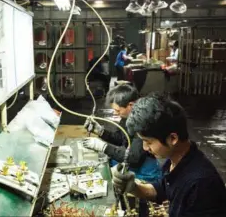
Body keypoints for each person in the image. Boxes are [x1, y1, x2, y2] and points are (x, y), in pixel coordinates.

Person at [113, 94, 226, 217]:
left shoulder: (201, 185)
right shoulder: (177, 160)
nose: (145, 148)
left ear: (172, 138)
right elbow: (161, 190)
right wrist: (133, 187)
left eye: (148, 142)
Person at [83, 84, 162, 216]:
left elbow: (134, 158)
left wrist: (103, 147)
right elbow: (121, 138)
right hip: (134, 169)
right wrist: (101, 131)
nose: (115, 113)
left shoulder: (142, 123)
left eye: (118, 110)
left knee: (140, 210)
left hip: (145, 174)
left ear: (131, 105)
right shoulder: (127, 117)